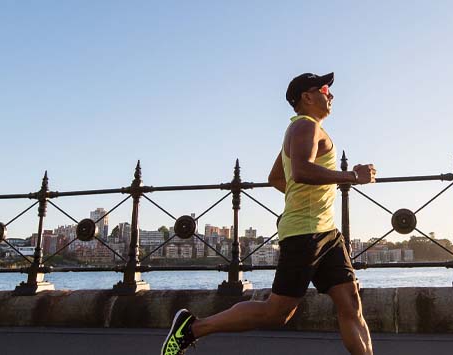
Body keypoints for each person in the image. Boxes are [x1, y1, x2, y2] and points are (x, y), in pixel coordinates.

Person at [161, 72, 376, 355]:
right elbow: (300, 171)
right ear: (307, 97)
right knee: (277, 312)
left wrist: (302, 199)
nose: (331, 95)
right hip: (305, 233)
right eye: (325, 89)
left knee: (350, 302)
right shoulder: (305, 127)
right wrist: (352, 176)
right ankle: (192, 328)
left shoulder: (303, 129)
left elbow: (276, 177)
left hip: (327, 232)